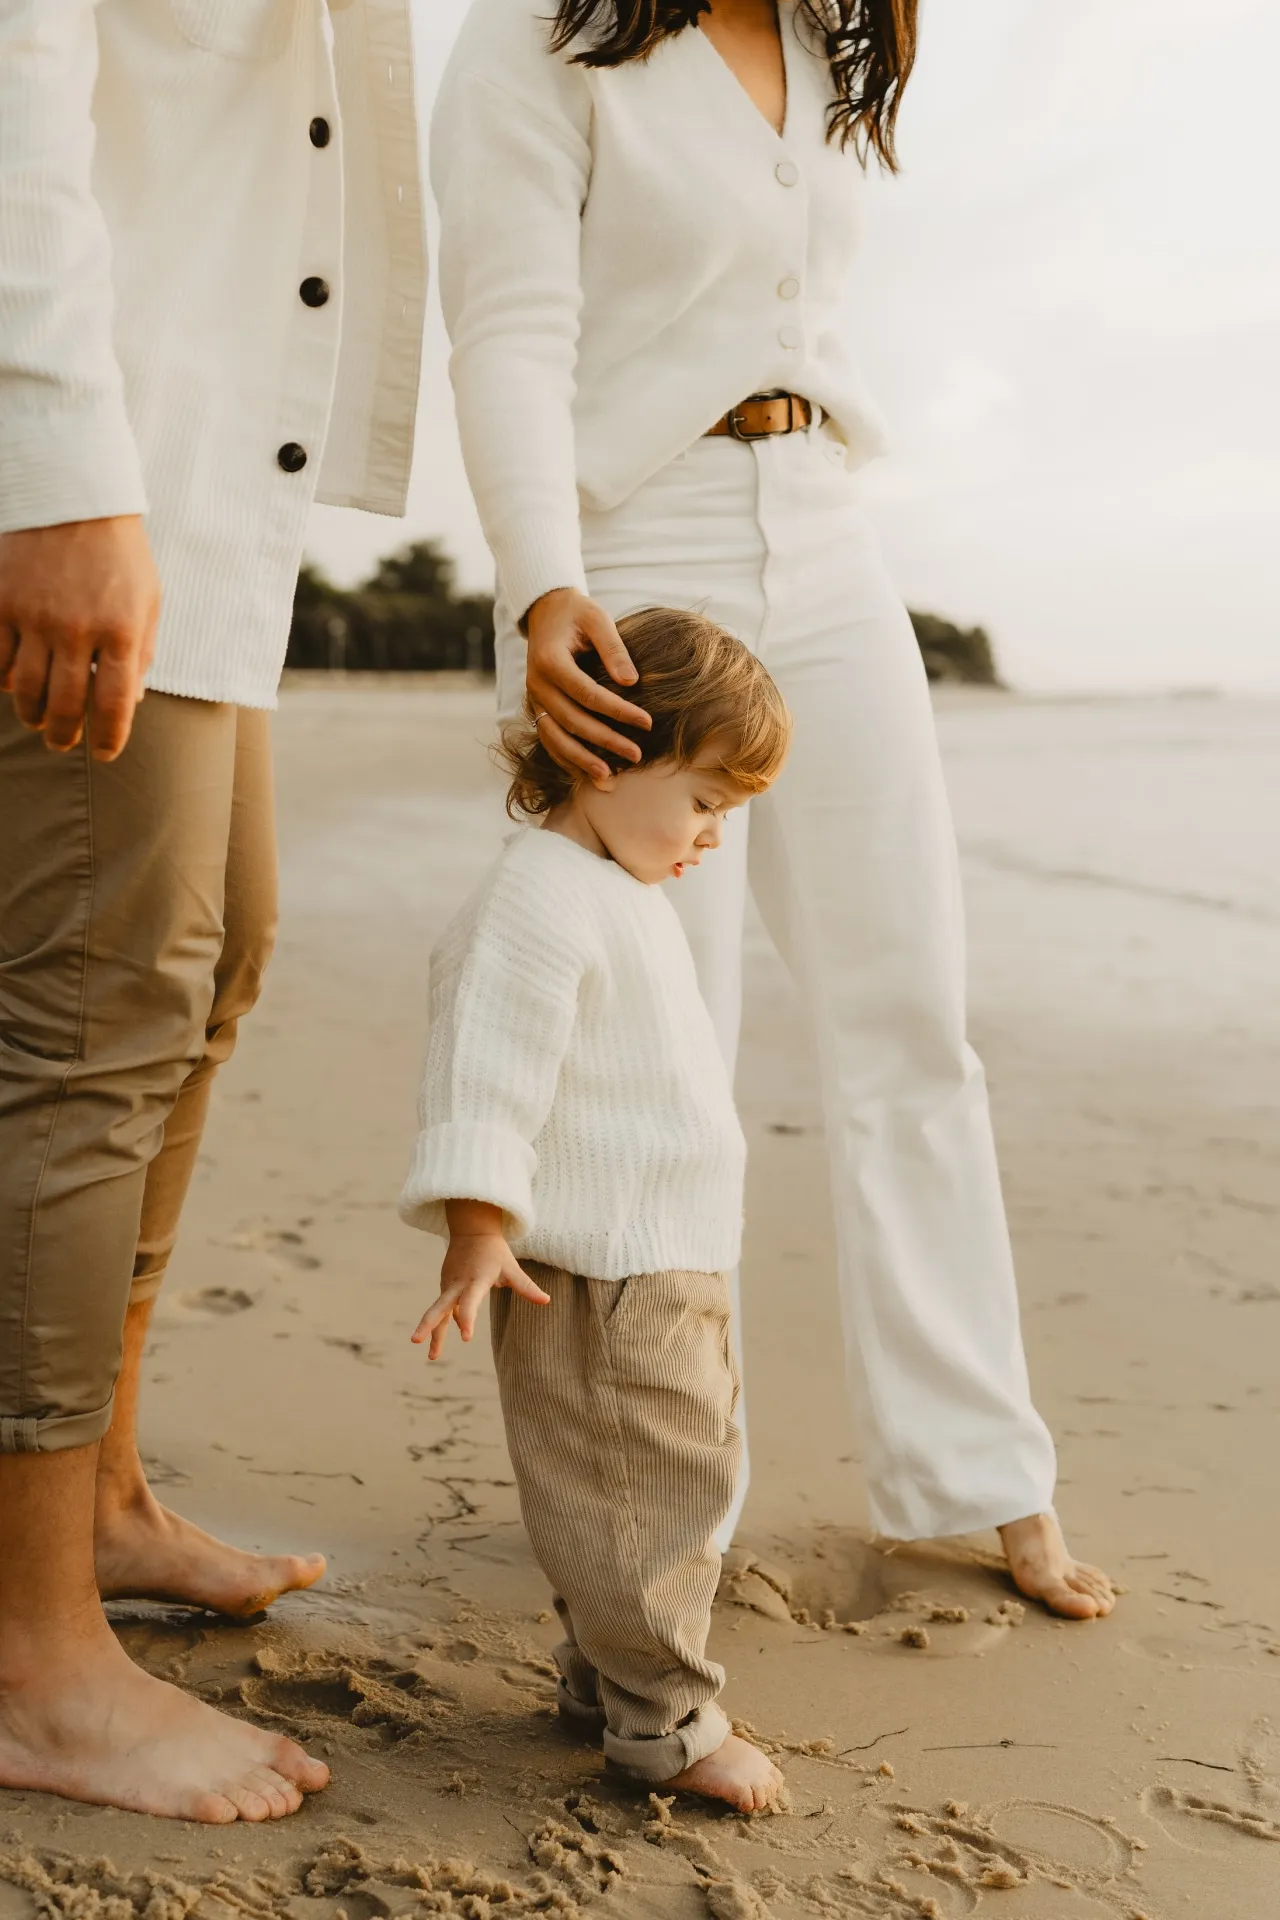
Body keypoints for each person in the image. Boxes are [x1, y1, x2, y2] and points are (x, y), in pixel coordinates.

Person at [430, 0, 1116, 1618]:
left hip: (827, 534)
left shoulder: (823, 45)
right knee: (666, 1047)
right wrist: (544, 589)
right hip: (638, 549)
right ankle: (664, 1497)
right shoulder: (541, 33)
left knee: (912, 1024)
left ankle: (979, 1474)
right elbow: (512, 329)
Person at [0, 0, 427, 1820]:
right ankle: (30, 1664)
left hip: (201, 474)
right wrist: (53, 468)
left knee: (210, 958)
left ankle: (92, 1500)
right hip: (107, 449)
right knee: (93, 1021)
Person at [401, 608, 790, 1812]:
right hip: (599, 1273)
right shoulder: (537, 899)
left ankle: (601, 1679)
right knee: (641, 1497)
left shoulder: (615, 885)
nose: (713, 836)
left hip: (667, 1260)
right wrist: (477, 1224)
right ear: (603, 753)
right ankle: (664, 1721)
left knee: (665, 1477)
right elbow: (486, 1065)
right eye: (705, 802)